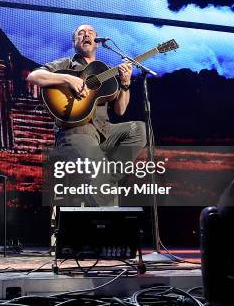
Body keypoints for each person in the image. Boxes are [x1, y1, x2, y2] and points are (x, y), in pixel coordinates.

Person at [27, 23, 146, 206]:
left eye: (90, 33)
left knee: (138, 129)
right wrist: (68, 78)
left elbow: (120, 110)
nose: (86, 35)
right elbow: (34, 76)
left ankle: (108, 178)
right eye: (80, 33)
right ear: (74, 41)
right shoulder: (66, 64)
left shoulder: (105, 71)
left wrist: (125, 83)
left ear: (97, 42)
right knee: (101, 176)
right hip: (76, 132)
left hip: (103, 132)